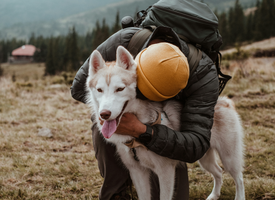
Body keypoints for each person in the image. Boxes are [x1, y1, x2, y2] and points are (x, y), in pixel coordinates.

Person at [71, 26, 219, 200]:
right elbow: (78, 89)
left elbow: (195, 145)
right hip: (134, 109)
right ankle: (117, 190)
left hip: (171, 129)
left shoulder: (203, 72)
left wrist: (142, 130)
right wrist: (113, 111)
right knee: (102, 124)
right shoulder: (123, 41)